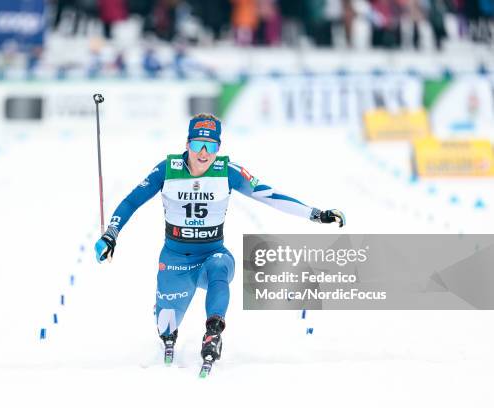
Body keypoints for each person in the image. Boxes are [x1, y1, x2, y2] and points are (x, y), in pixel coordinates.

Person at [94, 113, 345, 367]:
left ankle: (213, 332)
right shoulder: (167, 170)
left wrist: (315, 214)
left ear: (218, 148)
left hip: (211, 254)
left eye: (211, 146)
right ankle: (166, 323)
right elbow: (131, 201)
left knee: (220, 266)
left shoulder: (228, 171)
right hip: (175, 259)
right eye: (197, 145)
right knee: (167, 326)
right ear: (187, 144)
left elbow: (269, 195)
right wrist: (111, 234)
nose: (203, 153)